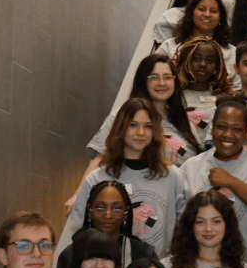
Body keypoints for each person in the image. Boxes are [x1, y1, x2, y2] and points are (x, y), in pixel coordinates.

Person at [73, 55, 201, 214]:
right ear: (143, 81)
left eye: (167, 77)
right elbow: (100, 159)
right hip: (134, 204)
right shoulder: (122, 116)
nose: (161, 83)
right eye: (154, 77)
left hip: (177, 207)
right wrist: (79, 194)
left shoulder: (184, 122)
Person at [66, 98, 190, 258]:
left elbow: (186, 228)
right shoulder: (97, 178)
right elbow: (80, 231)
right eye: (133, 125)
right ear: (120, 128)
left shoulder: (173, 177)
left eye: (148, 126)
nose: (141, 132)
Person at [178, 99, 247, 267]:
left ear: (245, 134)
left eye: (237, 129)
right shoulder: (190, 168)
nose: (228, 134)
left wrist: (232, 182)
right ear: (212, 129)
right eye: (221, 127)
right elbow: (182, 224)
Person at [56, 181, 158, 268]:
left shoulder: (144, 254)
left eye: (116, 208)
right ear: (89, 210)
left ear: (126, 213)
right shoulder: (70, 254)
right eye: (100, 207)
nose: (108, 215)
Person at [172, 36, 237, 148]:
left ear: (217, 66)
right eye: (197, 59)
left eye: (210, 60)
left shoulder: (225, 99)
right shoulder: (173, 95)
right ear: (186, 60)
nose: (203, 64)